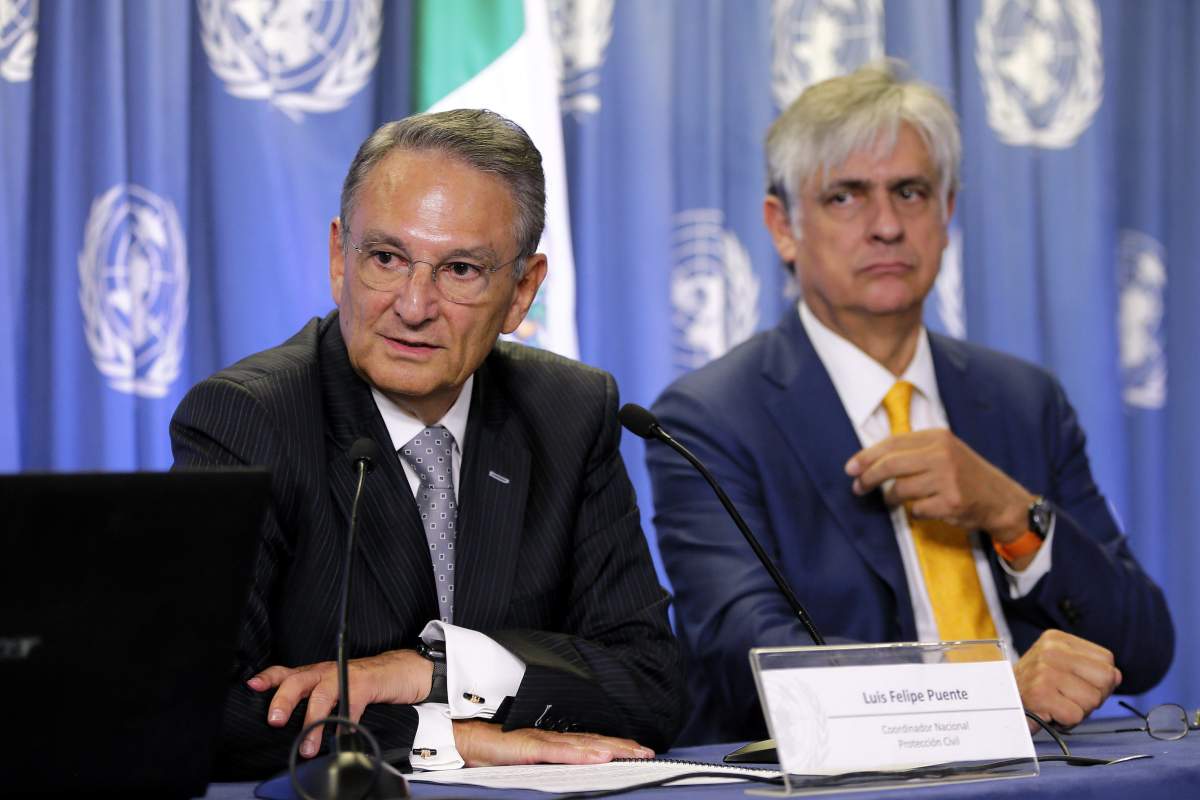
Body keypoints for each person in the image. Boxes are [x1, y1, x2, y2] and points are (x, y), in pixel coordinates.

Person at [646, 62, 1173, 745]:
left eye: (911, 191)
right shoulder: (710, 417)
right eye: (845, 197)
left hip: (1050, 771)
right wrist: (987, 698)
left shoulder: (1022, 399)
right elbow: (749, 666)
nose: (887, 225)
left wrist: (1013, 515)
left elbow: (1144, 650)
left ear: (947, 212)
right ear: (783, 226)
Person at [172, 109, 683, 778]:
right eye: (386, 258)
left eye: (461, 269)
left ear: (522, 291)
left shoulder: (569, 412)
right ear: (338, 257)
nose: (413, 305)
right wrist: (442, 735)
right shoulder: (249, 420)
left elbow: (651, 684)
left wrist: (434, 672)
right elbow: (204, 707)